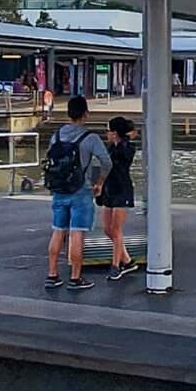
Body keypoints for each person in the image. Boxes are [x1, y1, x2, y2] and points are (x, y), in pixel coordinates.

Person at [43, 96, 111, 292]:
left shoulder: (56, 135)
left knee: (58, 231)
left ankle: (52, 274)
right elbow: (106, 162)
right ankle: (75, 278)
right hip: (81, 190)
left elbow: (50, 160)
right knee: (76, 234)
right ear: (85, 114)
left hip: (59, 190)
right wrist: (99, 182)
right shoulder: (90, 138)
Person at [98, 116, 139, 281]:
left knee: (116, 229)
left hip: (122, 190)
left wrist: (124, 139)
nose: (106, 134)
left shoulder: (127, 148)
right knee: (108, 229)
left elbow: (124, 155)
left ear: (115, 133)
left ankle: (116, 265)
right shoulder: (109, 148)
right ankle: (127, 260)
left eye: (108, 131)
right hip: (109, 189)